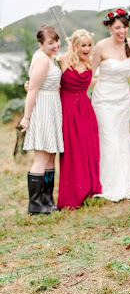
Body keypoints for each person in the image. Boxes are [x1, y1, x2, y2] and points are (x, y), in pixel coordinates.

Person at [91, 8, 130, 201]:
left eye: (124, 28)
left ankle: (129, 179)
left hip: (123, 97)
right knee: (108, 137)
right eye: (117, 28)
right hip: (103, 98)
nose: (121, 32)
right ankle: (108, 183)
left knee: (122, 136)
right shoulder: (100, 46)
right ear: (109, 27)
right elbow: (88, 75)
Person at [20, 25, 64, 214]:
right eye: (50, 43)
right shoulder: (43, 61)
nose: (55, 46)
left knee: (50, 157)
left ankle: (47, 199)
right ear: (40, 44)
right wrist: (26, 117)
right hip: (43, 108)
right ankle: (35, 203)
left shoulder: (49, 57)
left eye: (57, 41)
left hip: (52, 106)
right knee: (42, 157)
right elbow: (33, 89)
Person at [57, 29, 102, 209]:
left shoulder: (90, 63)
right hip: (67, 108)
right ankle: (72, 194)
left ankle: (88, 188)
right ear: (74, 45)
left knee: (87, 147)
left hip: (84, 108)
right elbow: (51, 79)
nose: (86, 48)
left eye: (89, 45)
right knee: (71, 149)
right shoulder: (62, 60)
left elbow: (88, 81)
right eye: (83, 45)